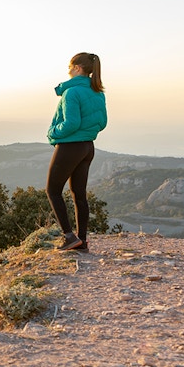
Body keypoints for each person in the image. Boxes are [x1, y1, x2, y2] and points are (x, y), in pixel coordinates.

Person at [46, 52, 107, 251]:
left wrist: (53, 132)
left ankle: (69, 237)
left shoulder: (71, 92)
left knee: (53, 190)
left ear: (77, 68)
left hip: (70, 146)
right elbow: (102, 122)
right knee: (78, 194)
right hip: (88, 147)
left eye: (70, 66)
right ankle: (82, 240)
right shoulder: (97, 92)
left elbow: (72, 123)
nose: (68, 70)